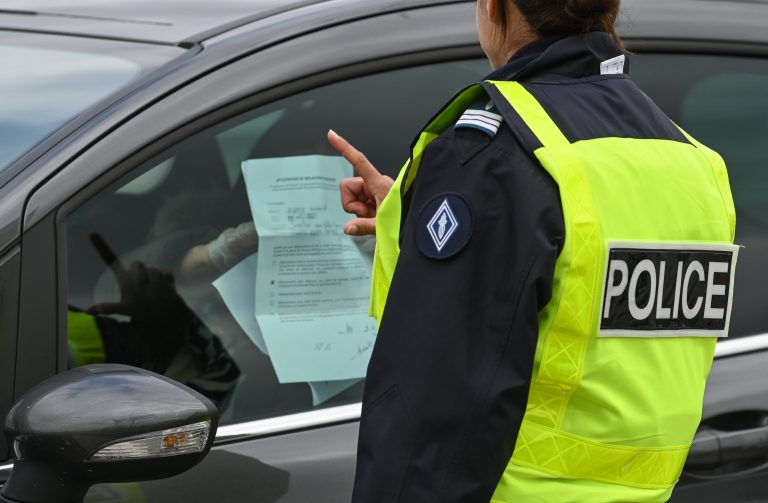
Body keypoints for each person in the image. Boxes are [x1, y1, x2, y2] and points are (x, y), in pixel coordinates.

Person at [328, 0, 738, 502]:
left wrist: (467, 195)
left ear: (493, 8)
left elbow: (431, 422)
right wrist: (417, 215)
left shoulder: (497, 156)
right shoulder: (695, 165)